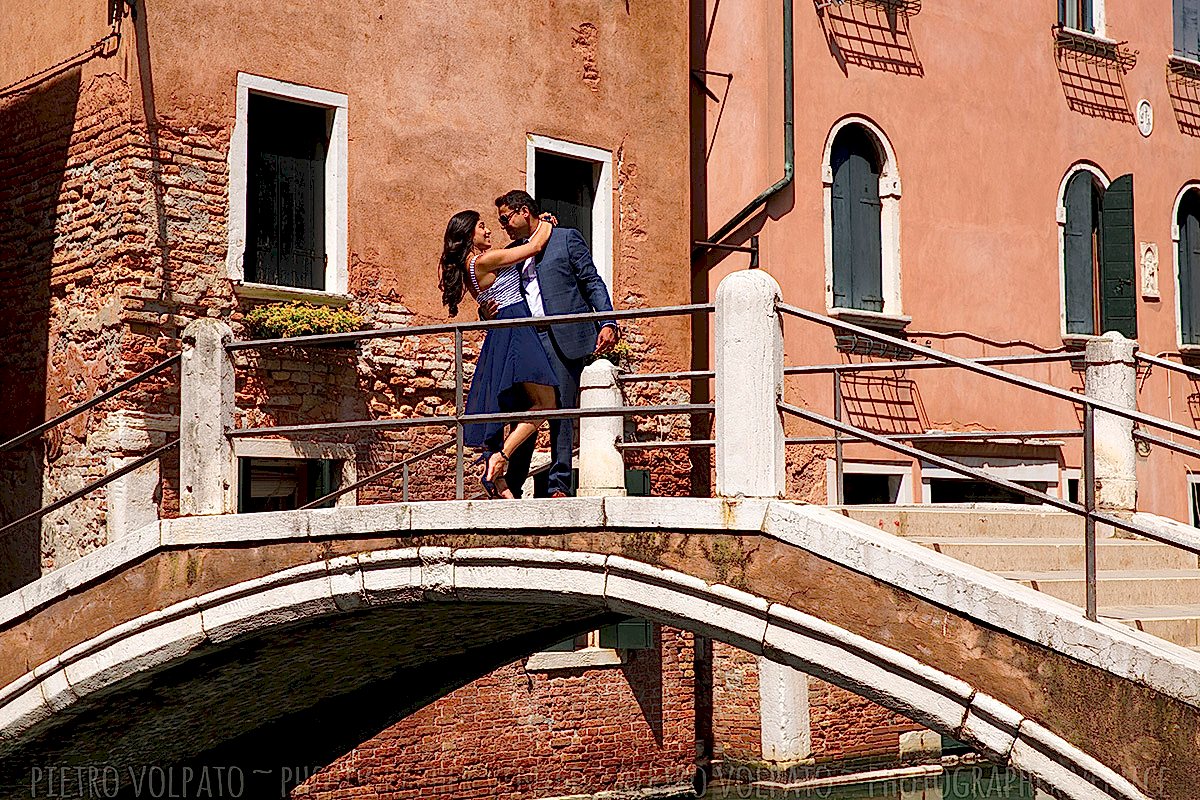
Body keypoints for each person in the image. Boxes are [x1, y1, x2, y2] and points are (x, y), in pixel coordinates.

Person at [489, 190, 619, 498]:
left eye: (506, 219)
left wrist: (608, 322)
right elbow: (497, 296)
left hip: (562, 337)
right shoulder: (512, 252)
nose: (503, 226)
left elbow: (591, 281)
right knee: (526, 411)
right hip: (528, 340)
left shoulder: (566, 238)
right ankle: (515, 483)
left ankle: (559, 485)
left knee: (560, 409)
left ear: (524, 211)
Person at [439, 209, 559, 498]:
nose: (489, 231)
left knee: (513, 404)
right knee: (547, 402)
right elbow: (534, 246)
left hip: (503, 331)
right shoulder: (483, 260)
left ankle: (500, 483)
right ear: (469, 235)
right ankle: (501, 457)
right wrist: (545, 222)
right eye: (482, 227)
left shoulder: (471, 266)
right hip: (515, 328)